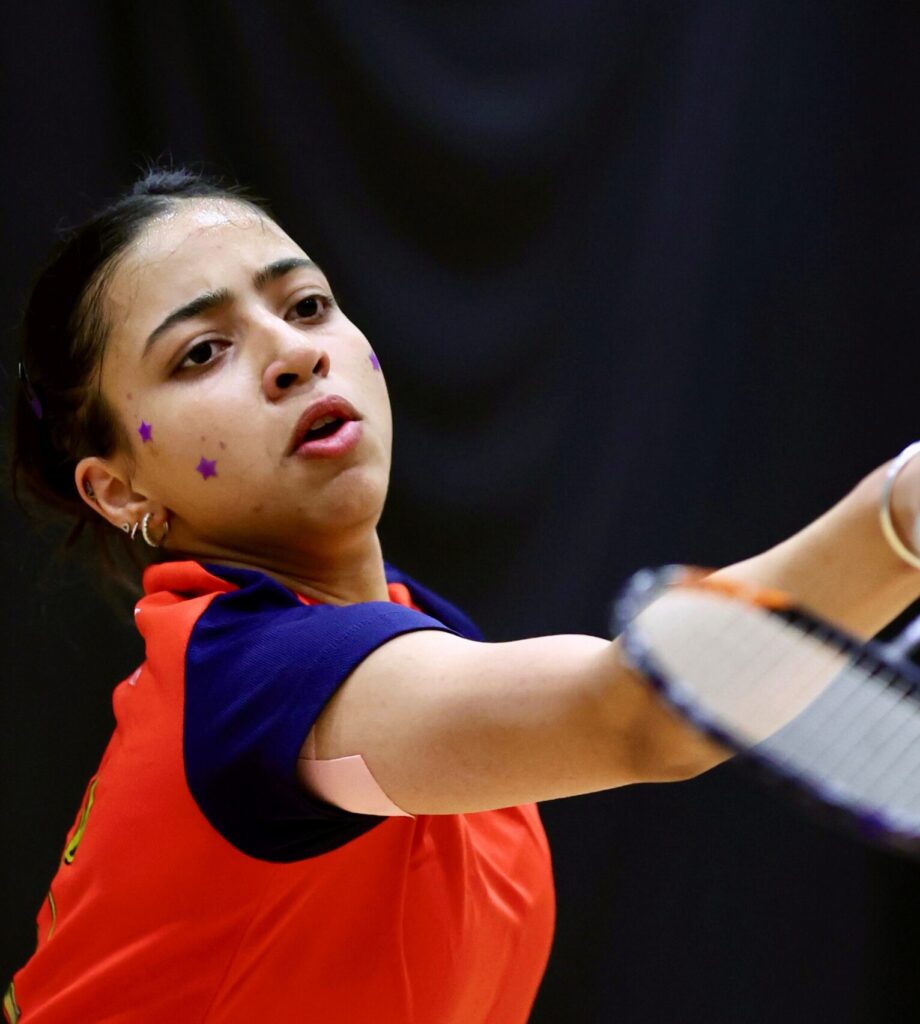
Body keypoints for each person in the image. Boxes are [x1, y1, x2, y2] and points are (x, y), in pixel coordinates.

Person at [5, 167, 920, 1024]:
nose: (293, 354)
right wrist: (904, 516)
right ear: (119, 489)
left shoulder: (407, 632)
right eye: (203, 352)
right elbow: (647, 715)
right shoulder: (255, 682)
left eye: (308, 305)